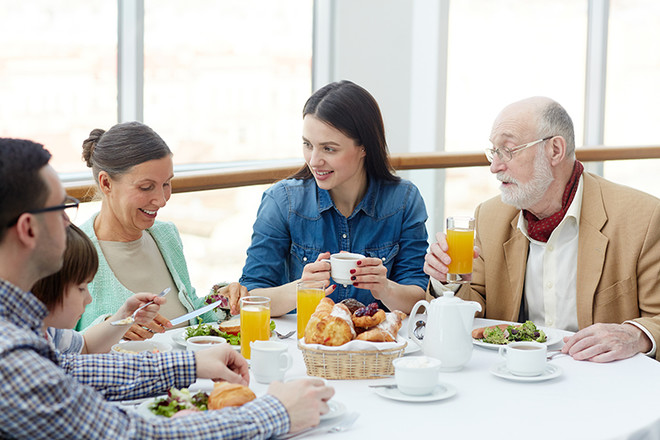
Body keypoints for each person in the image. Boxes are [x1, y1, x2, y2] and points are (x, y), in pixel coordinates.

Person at [0, 137, 334, 439]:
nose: (68, 223)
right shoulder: (11, 358)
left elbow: (74, 368)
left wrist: (190, 365)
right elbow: (135, 434)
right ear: (28, 229)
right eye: (61, 209)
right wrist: (279, 412)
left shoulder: (22, 332)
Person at [424, 97, 660, 363]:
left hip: (601, 381)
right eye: (494, 152)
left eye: (508, 150)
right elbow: (477, 312)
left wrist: (635, 335)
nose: (495, 166)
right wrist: (448, 280)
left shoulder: (643, 217)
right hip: (515, 374)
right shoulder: (491, 216)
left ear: (555, 150)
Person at [238, 80, 429, 316]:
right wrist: (301, 288)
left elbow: (420, 298)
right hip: (304, 345)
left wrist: (385, 288)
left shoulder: (404, 201)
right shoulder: (282, 201)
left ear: (364, 147)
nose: (314, 160)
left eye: (329, 149)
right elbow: (251, 296)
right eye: (308, 145)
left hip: (376, 347)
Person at [76, 121, 247, 339]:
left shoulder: (165, 235)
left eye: (166, 184)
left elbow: (188, 314)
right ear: (106, 184)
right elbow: (56, 343)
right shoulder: (72, 253)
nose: (162, 200)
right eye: (146, 187)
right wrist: (110, 328)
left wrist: (221, 302)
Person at [32, 223, 168, 354]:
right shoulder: (26, 348)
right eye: (81, 288)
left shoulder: (50, 332)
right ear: (44, 288)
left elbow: (86, 347)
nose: (89, 299)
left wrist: (125, 315)